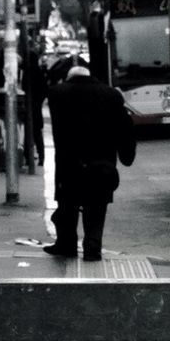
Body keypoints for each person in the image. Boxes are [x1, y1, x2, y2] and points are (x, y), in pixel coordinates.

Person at [44, 59, 136, 262]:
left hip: (69, 163)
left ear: (70, 77)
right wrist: (126, 154)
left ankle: (66, 244)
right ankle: (92, 247)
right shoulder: (111, 94)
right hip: (102, 163)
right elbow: (125, 127)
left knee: (68, 204)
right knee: (96, 206)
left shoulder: (57, 93)